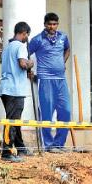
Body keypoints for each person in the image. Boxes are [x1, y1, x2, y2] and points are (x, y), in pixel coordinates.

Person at [28, 13, 72, 153]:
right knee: (47, 113)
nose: (52, 27)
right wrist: (30, 70)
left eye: (55, 24)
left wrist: (62, 62)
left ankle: (59, 144)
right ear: (45, 24)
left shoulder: (63, 37)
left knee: (65, 111)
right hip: (45, 80)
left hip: (61, 80)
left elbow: (67, 49)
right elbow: (25, 53)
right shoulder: (37, 40)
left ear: (57, 24)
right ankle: (48, 145)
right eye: (49, 24)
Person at [0, 21, 35, 162]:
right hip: (15, 89)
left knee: (15, 120)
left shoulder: (8, 47)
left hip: (6, 87)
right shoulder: (20, 46)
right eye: (27, 35)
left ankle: (20, 148)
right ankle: (6, 153)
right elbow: (22, 64)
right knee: (12, 121)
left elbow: (14, 67)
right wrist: (30, 63)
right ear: (24, 33)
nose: (27, 38)